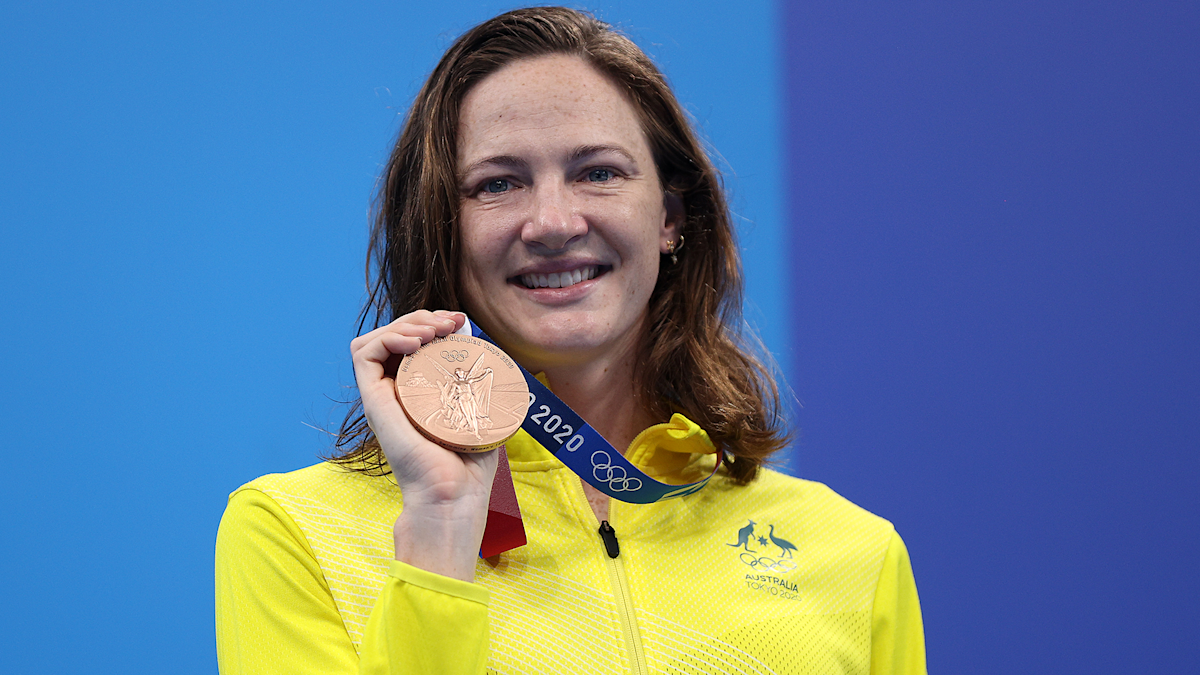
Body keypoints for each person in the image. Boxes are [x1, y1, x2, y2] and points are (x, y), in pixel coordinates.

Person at [215, 7, 926, 674]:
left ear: (670, 218)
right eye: (498, 184)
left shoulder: (853, 553)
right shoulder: (297, 534)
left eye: (598, 173)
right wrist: (437, 532)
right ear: (441, 228)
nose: (553, 222)